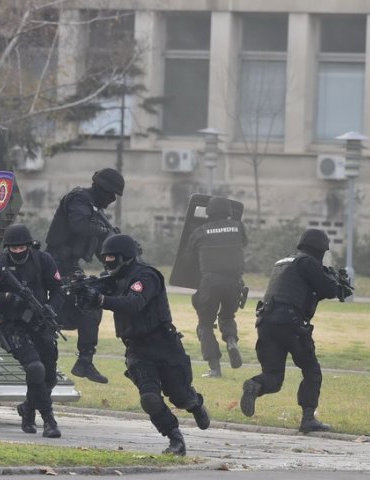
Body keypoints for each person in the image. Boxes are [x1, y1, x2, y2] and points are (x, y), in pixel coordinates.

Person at [78, 234, 210, 455]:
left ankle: (194, 403)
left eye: (112, 257)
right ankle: (175, 438)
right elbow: (94, 298)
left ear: (126, 256)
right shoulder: (112, 279)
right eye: (105, 257)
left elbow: (133, 303)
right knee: (149, 398)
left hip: (164, 345)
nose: (108, 261)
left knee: (180, 396)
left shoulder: (146, 276)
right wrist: (83, 292)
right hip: (137, 348)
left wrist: (101, 300)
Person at [240, 228, 352, 433]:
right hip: (290, 324)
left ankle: (255, 386)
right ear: (320, 249)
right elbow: (328, 289)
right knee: (311, 370)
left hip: (265, 323)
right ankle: (308, 419)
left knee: (273, 377)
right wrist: (338, 285)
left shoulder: (283, 263)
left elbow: (302, 288)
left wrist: (331, 280)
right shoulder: (308, 262)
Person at [0, 223, 65, 438]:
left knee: (50, 377)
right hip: (13, 326)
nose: (17, 252)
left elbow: (59, 290)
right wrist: (6, 297)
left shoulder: (44, 260)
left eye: (21, 248)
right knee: (35, 369)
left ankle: (27, 409)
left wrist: (52, 308)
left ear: (29, 246)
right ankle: (49, 420)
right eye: (13, 249)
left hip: (40, 324)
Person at [44, 168, 125, 384]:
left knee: (91, 304)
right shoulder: (79, 199)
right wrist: (105, 232)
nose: (112, 200)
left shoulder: (95, 212)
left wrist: (119, 264)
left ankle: (84, 361)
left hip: (70, 268)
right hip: (53, 266)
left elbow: (101, 250)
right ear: (101, 189)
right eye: (111, 194)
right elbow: (78, 225)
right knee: (48, 315)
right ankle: (44, 363)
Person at [186, 196, 248, 378]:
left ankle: (215, 368)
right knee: (228, 316)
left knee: (205, 323)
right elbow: (243, 243)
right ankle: (231, 342)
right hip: (234, 282)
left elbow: (188, 257)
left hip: (210, 282)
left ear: (209, 212)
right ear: (229, 211)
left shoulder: (200, 232)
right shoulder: (239, 227)